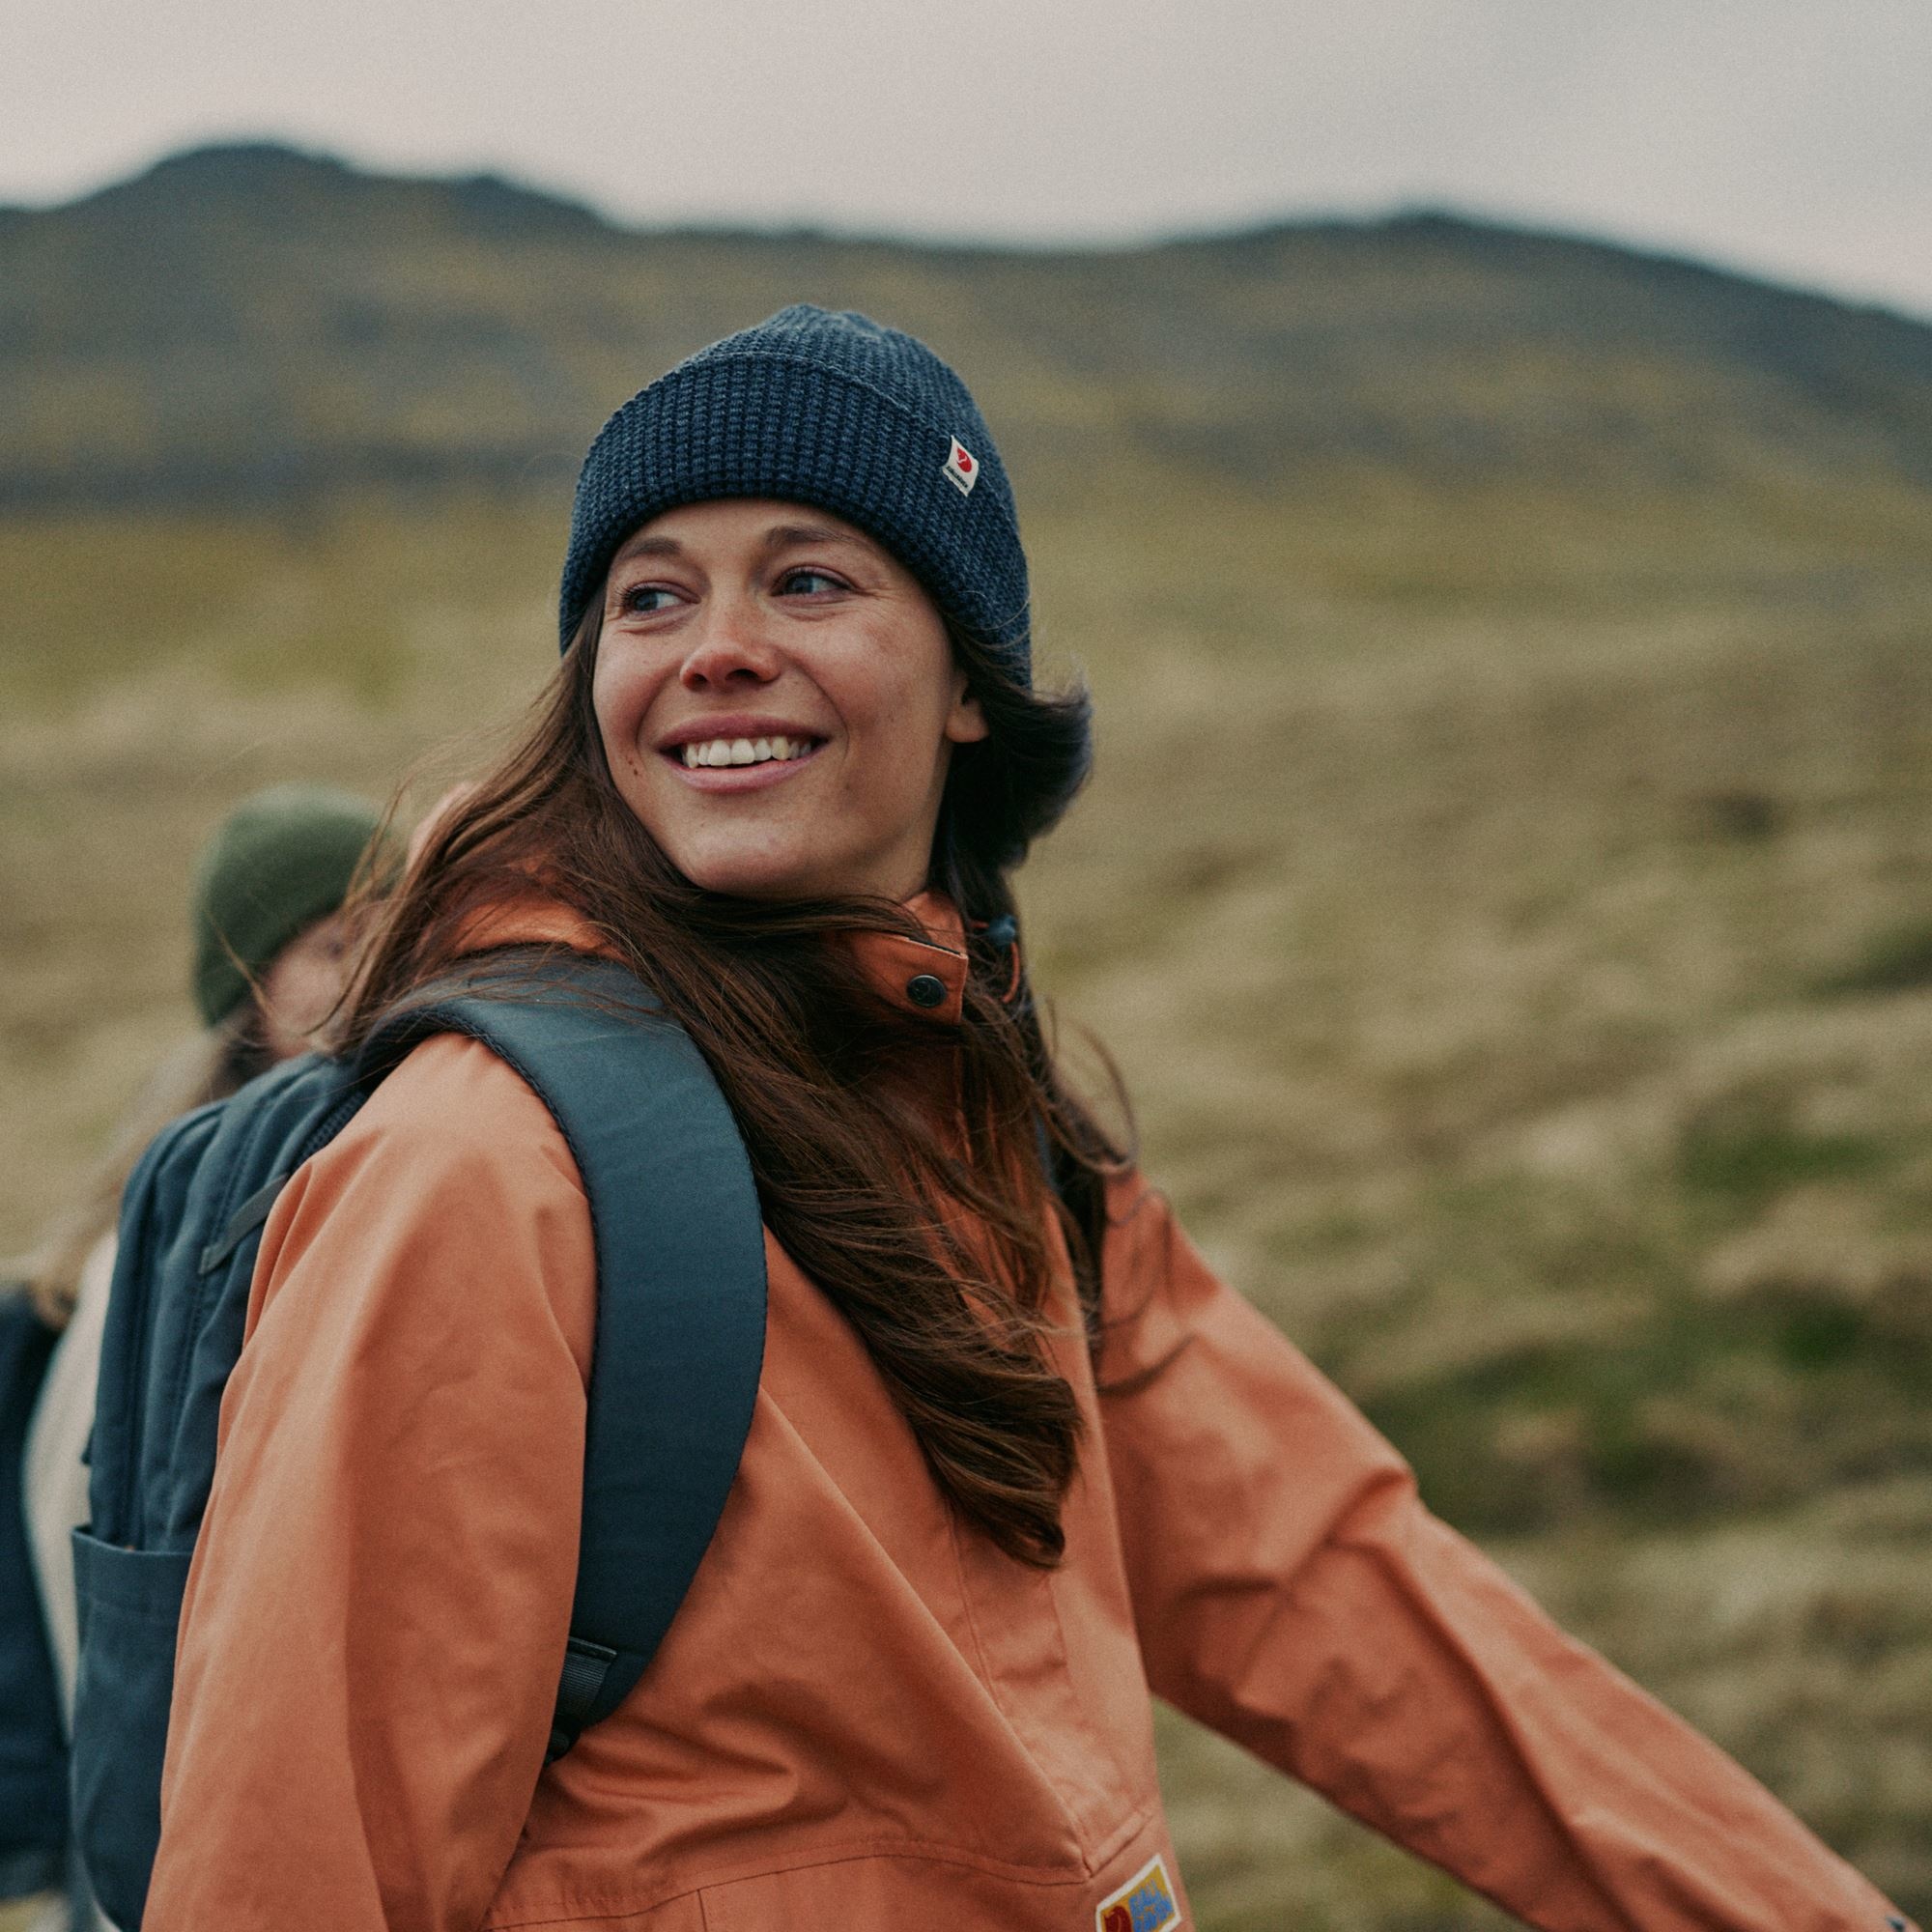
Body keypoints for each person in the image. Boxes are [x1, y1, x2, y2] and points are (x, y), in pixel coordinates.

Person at [142, 309, 1913, 1932]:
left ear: (971, 682)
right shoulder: (481, 1166)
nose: (719, 653)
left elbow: (1342, 1593)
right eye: (653, 597)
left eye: (812, 582)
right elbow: (290, 1868)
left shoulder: (986, 1123)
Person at [6, 785, 386, 1932]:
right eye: (337, 940)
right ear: (250, 989)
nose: (386, 960)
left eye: (405, 917)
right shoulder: (155, 1263)